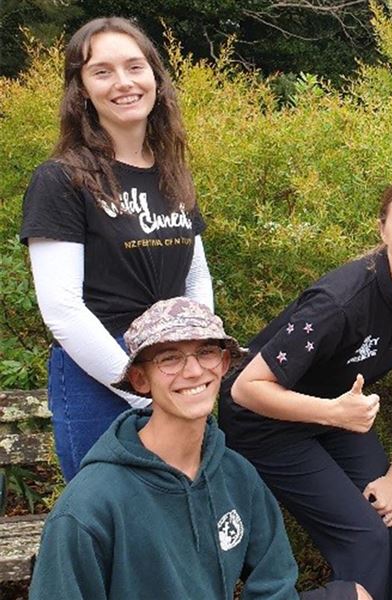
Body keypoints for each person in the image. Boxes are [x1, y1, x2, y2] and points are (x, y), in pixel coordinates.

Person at [220, 172, 392, 600]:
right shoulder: (339, 302)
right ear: (382, 227)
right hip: (264, 423)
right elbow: (244, 389)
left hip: (336, 413)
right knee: (364, 537)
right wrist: (333, 413)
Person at [29, 297, 362, 599]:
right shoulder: (89, 507)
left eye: (206, 352)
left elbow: (274, 583)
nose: (193, 371)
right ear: (141, 379)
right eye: (169, 358)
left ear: (224, 363)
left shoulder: (235, 475)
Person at [20, 17, 212, 481]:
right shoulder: (61, 179)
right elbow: (62, 309)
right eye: (102, 71)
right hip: (100, 381)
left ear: (156, 79)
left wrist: (197, 359)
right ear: (82, 90)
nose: (123, 82)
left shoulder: (171, 173)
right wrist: (141, 388)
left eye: (135, 66)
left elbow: (195, 278)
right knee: (113, 530)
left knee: (183, 515)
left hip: (177, 373)